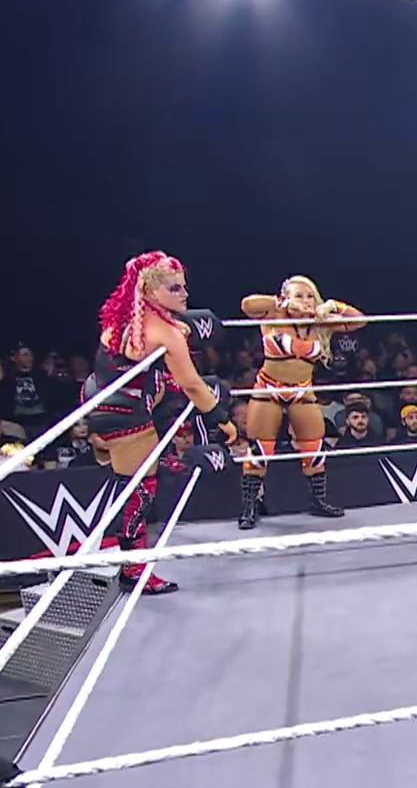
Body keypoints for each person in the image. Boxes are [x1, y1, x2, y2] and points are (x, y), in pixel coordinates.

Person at [82, 252, 235, 593]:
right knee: (139, 491)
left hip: (103, 402)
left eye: (184, 286)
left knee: (138, 481)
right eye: (174, 288)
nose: (185, 294)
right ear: (151, 291)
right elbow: (193, 384)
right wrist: (222, 419)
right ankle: (134, 571)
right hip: (128, 416)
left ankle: (165, 461)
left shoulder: (122, 320)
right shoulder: (165, 333)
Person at [236, 276, 365, 529]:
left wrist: (333, 306)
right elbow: (247, 305)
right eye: (299, 295)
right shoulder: (274, 314)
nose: (305, 301)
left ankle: (318, 501)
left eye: (310, 296)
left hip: (302, 389)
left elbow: (359, 320)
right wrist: (283, 303)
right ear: (287, 297)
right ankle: (250, 507)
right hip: (269, 388)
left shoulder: (320, 323)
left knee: (314, 447)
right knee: (261, 449)